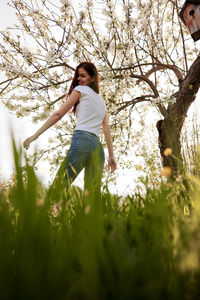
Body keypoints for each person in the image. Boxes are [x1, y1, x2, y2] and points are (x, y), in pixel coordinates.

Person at [23, 61, 117, 192]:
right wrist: (111, 156)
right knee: (92, 196)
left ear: (93, 78)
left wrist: (35, 135)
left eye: (83, 76)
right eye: (78, 76)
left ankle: (48, 212)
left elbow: (58, 114)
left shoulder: (80, 90)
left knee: (60, 184)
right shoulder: (102, 103)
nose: (78, 79)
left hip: (82, 140)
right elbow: (106, 130)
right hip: (98, 148)